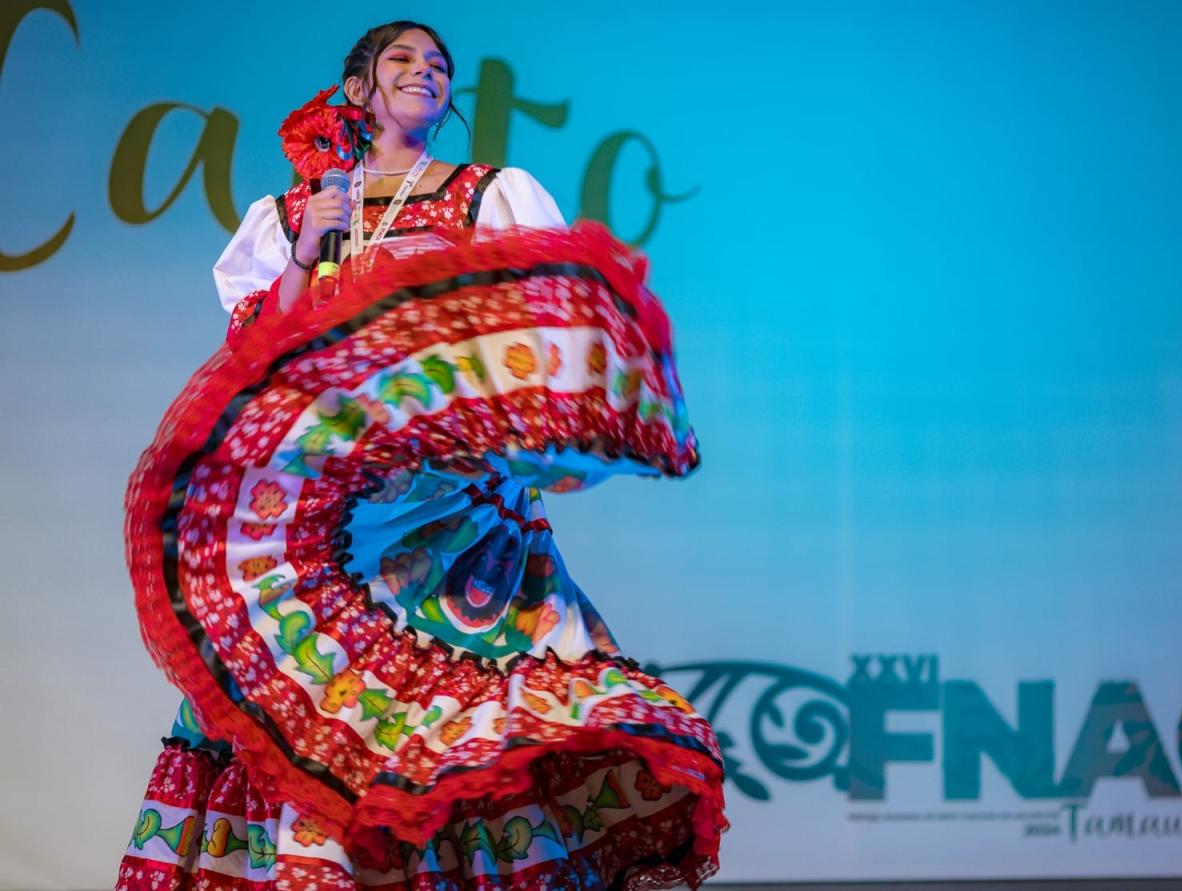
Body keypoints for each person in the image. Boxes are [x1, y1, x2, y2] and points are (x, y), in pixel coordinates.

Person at [115, 19, 727, 891]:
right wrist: (306, 251)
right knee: (305, 706)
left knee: (474, 711)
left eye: (439, 64)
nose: (425, 71)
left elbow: (542, 330)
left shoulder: (491, 196)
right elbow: (255, 356)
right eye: (400, 59)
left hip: (455, 509)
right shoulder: (290, 214)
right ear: (356, 89)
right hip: (321, 521)